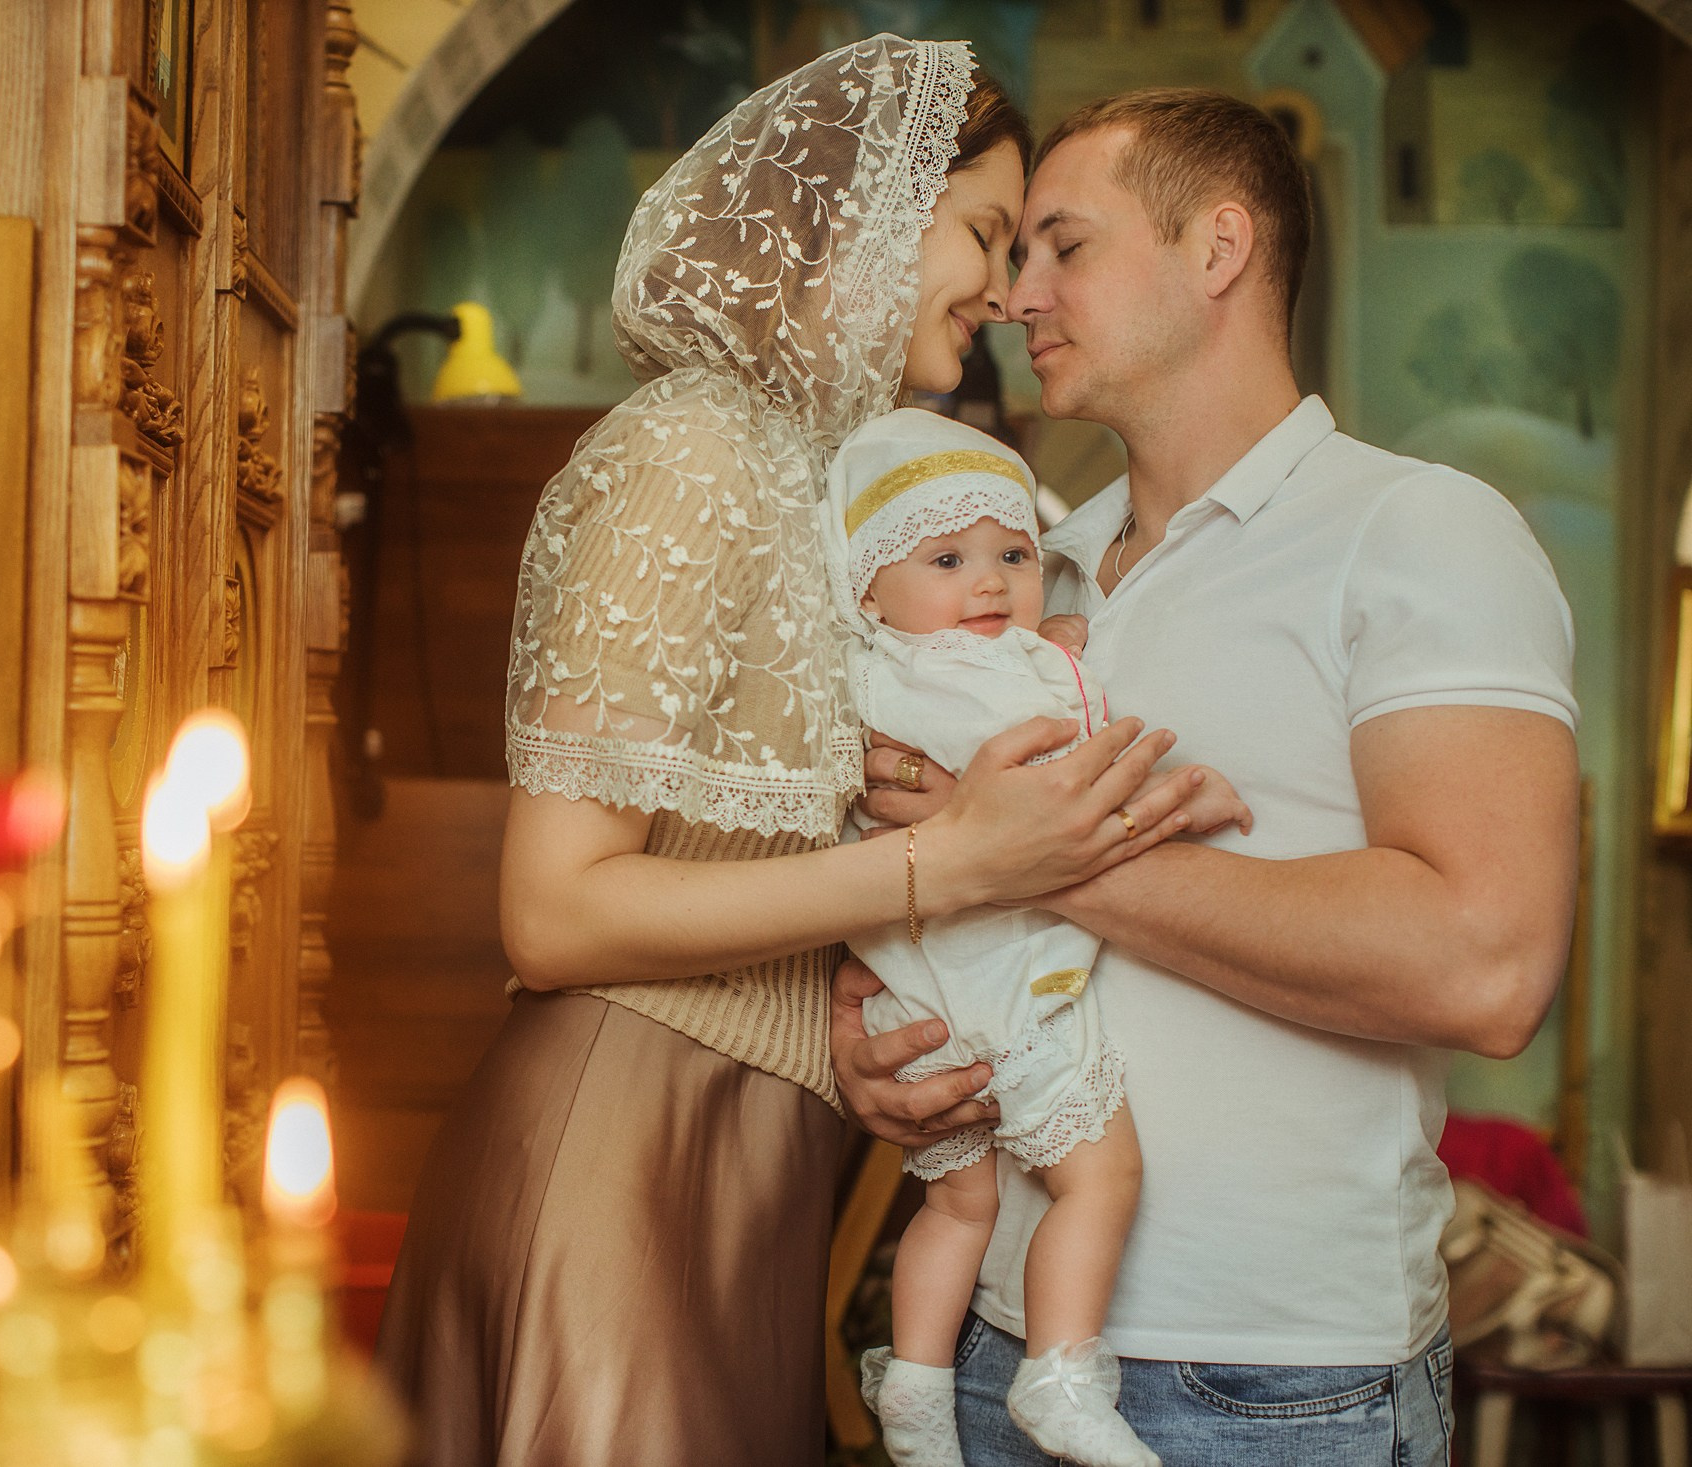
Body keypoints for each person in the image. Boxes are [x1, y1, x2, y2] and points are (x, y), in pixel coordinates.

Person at [374, 39, 1206, 1467]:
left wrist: (848, 1020)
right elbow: (553, 910)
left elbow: (751, 861)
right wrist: (950, 863)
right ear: (868, 218)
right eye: (986, 234)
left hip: (748, 1149)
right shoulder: (695, 448)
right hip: (626, 1142)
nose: (1004, 291)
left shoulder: (816, 483)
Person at [833, 88, 1580, 1465]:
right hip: (993, 1339)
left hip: (1277, 1384)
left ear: (1219, 246)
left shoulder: (1421, 531)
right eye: (1015, 254)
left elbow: (1487, 966)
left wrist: (1041, 856)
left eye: (1064, 247)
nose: (1016, 294)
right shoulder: (1023, 574)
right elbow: (930, 884)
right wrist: (870, 1046)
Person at [825, 410, 1247, 1467]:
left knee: (957, 1205)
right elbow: (1057, 807)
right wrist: (1182, 797)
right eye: (948, 559)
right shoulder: (976, 684)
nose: (989, 582)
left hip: (912, 999)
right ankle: (1059, 1375)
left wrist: (1040, 644)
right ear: (868, 589)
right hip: (1000, 983)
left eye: (1014, 555)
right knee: (1098, 1178)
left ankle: (915, 1389)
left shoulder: (871, 677)